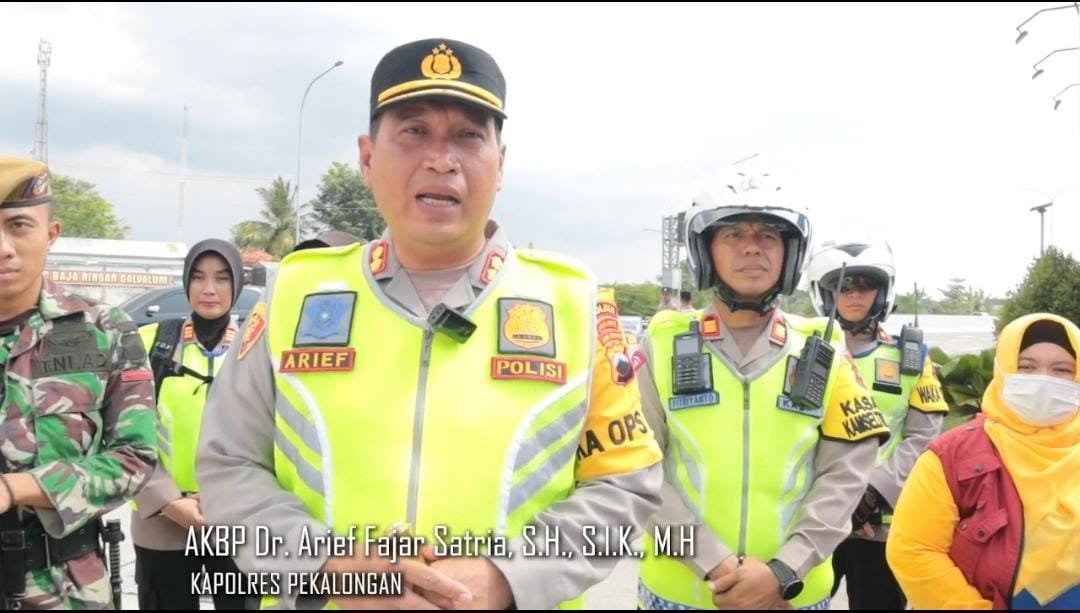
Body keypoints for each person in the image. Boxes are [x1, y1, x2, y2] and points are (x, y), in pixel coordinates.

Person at [196, 38, 663, 609]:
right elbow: (228, 464)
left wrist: (508, 578)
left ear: (500, 163)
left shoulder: (576, 304)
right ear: (368, 158)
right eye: (414, 132)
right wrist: (325, 567)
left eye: (468, 136)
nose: (442, 159)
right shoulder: (296, 293)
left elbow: (623, 483)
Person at [635, 168, 890, 610]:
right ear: (706, 251)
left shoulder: (823, 346)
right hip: (678, 595)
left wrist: (783, 572)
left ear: (790, 253)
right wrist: (715, 565)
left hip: (792, 595)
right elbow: (637, 469)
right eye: (733, 233)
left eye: (769, 236)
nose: (752, 246)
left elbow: (846, 474)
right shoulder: (660, 342)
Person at [0, 156, 156, 608]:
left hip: (66, 589)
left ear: (51, 234)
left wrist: (17, 489)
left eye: (19, 226)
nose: (4, 247)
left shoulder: (104, 329)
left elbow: (135, 460)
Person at [887, 313, 1080, 609]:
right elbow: (913, 548)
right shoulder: (952, 454)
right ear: (1003, 371)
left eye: (1061, 369)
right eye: (1026, 367)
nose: (1043, 380)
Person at [804, 238, 948, 609]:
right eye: (842, 286)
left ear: (882, 292)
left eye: (865, 286)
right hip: (809, 519)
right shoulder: (796, 352)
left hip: (878, 524)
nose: (854, 296)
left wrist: (869, 495)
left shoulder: (910, 358)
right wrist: (836, 503)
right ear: (823, 292)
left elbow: (923, 437)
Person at [131, 239, 246, 609]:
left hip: (237, 520)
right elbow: (124, 432)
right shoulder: (151, 343)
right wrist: (168, 501)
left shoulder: (258, 345)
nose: (209, 289)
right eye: (198, 277)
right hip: (162, 518)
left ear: (238, 284)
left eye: (222, 278)